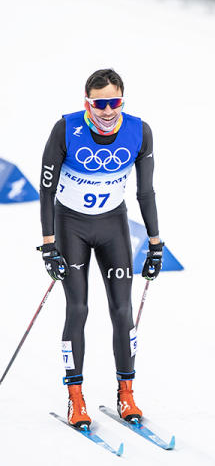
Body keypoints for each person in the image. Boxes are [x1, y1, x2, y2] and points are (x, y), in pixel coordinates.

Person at [38, 68, 163, 428]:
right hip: (71, 225)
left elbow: (145, 193)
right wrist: (49, 245)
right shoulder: (66, 129)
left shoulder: (140, 132)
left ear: (122, 101)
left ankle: (127, 395)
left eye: (114, 102)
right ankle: (75, 399)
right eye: (99, 103)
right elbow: (46, 190)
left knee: (122, 311)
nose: (107, 111)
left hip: (112, 226)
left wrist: (155, 244)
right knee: (77, 308)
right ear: (87, 103)